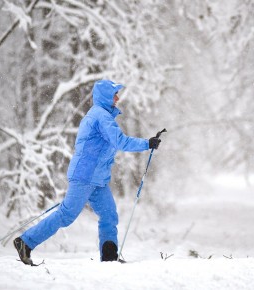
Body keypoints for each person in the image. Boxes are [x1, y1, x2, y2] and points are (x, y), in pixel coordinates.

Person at [13, 79, 161, 264]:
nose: (117, 97)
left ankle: (109, 257)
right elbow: (119, 141)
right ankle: (25, 242)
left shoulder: (100, 115)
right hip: (85, 176)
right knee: (66, 215)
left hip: (97, 179)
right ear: (106, 96)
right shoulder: (100, 116)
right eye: (114, 93)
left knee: (109, 215)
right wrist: (147, 143)